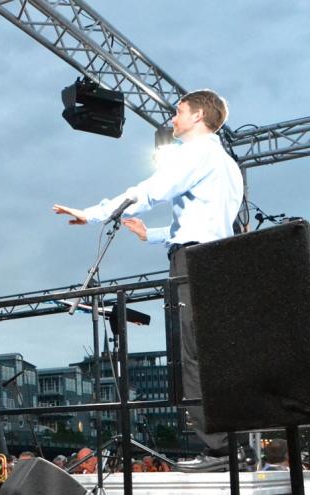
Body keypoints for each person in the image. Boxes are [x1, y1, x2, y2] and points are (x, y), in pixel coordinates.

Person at [53, 89, 243, 470]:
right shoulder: (225, 162)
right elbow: (206, 221)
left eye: (179, 112)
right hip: (216, 259)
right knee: (212, 353)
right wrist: (152, 235)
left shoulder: (196, 152)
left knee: (191, 354)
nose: (173, 119)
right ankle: (230, 446)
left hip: (194, 260)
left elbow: (151, 191)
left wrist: (95, 213)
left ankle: (218, 451)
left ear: (198, 117)